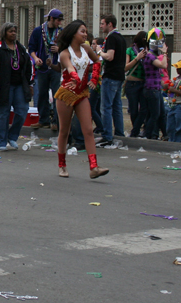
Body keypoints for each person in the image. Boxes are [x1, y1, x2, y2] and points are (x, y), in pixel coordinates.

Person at [52, 20, 109, 179]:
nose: (85, 34)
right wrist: (76, 77)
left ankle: (93, 167)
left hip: (82, 94)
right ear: (73, 34)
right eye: (82, 31)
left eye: (85, 31)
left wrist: (95, 78)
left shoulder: (86, 48)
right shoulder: (65, 53)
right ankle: (62, 165)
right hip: (66, 94)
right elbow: (70, 67)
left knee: (88, 130)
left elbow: (97, 61)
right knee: (64, 131)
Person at [0, 23, 33, 151]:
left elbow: (29, 66)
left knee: (22, 110)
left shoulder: (21, 49)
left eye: (15, 31)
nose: (13, 33)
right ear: (4, 32)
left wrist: (30, 84)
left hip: (19, 85)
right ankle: (0, 142)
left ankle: (12, 136)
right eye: (11, 31)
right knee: (2, 113)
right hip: (3, 86)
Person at [28, 9, 64, 130]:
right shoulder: (38, 31)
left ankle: (56, 122)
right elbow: (31, 48)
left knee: (56, 95)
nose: (59, 23)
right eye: (58, 20)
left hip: (56, 67)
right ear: (51, 19)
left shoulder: (61, 32)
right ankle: (43, 120)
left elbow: (66, 48)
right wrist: (35, 58)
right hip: (42, 67)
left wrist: (59, 49)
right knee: (42, 94)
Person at [129, 28, 167, 139]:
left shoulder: (149, 55)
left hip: (155, 88)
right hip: (152, 88)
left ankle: (163, 134)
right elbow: (163, 65)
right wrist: (164, 53)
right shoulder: (150, 56)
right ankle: (147, 134)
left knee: (159, 113)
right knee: (154, 114)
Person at [97, 14, 127, 146]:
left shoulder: (111, 38)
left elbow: (109, 56)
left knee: (106, 107)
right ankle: (120, 133)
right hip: (119, 76)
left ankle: (107, 136)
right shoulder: (121, 37)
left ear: (110, 24)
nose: (101, 26)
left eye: (103, 23)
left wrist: (99, 51)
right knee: (117, 106)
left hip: (110, 76)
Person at [124, 31, 148, 131]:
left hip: (144, 83)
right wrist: (137, 58)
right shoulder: (130, 50)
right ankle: (135, 130)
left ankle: (137, 129)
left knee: (144, 109)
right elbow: (125, 67)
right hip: (132, 83)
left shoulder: (148, 51)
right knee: (133, 110)